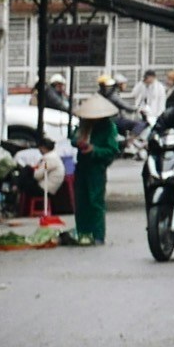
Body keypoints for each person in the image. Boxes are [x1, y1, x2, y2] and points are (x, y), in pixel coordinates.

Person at [69, 92, 121, 247]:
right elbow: (73, 138)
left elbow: (112, 150)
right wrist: (77, 142)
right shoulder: (83, 125)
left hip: (96, 168)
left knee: (95, 201)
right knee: (81, 201)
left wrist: (94, 150)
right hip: (82, 166)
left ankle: (98, 235)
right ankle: (83, 232)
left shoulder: (108, 128)